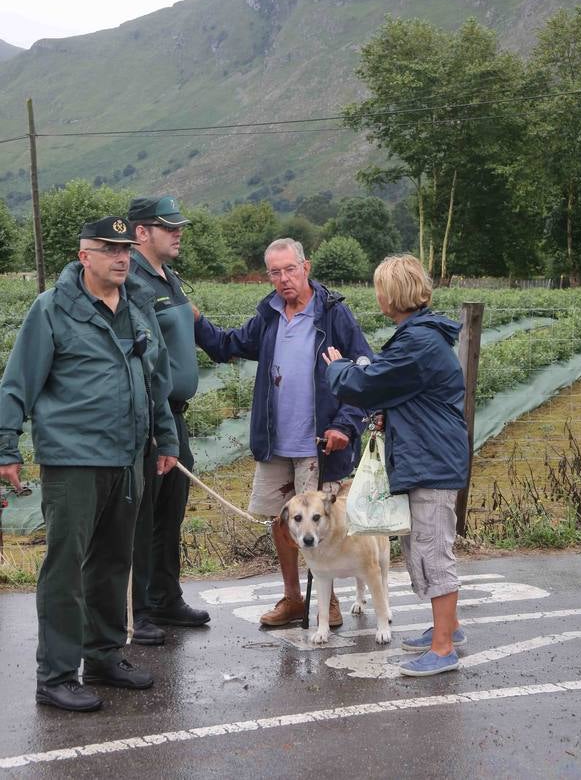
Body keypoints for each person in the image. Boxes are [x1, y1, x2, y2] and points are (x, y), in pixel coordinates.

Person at [0, 217, 179, 712]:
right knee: (65, 567)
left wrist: (165, 437)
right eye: (109, 249)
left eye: (125, 248)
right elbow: (18, 381)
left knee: (112, 563)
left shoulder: (137, 310)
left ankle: (102, 655)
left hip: (127, 458)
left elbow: (154, 381)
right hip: (73, 460)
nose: (122, 257)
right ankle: (55, 674)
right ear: (84, 257)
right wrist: (6, 446)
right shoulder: (52, 310)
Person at [194, 237, 372, 627]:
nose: (283, 279)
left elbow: (363, 370)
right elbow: (229, 345)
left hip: (320, 444)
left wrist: (345, 424)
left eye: (290, 269)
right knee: (282, 521)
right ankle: (293, 598)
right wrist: (194, 322)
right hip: (276, 442)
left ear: (305, 268)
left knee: (321, 522)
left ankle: (328, 603)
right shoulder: (271, 316)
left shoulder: (332, 315)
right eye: (275, 272)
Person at [323, 254, 469, 676]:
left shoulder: (417, 342)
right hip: (426, 455)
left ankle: (443, 649)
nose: (377, 296)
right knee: (420, 546)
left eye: (380, 288)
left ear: (392, 294)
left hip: (432, 461)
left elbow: (365, 384)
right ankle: (449, 627)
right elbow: (404, 391)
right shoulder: (419, 337)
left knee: (433, 551)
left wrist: (337, 369)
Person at [127, 196, 210, 643]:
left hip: (176, 416)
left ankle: (165, 596)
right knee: (144, 513)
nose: (178, 232)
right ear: (142, 232)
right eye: (168, 227)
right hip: (150, 418)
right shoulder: (133, 281)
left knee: (171, 509)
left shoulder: (169, 278)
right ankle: (138, 609)